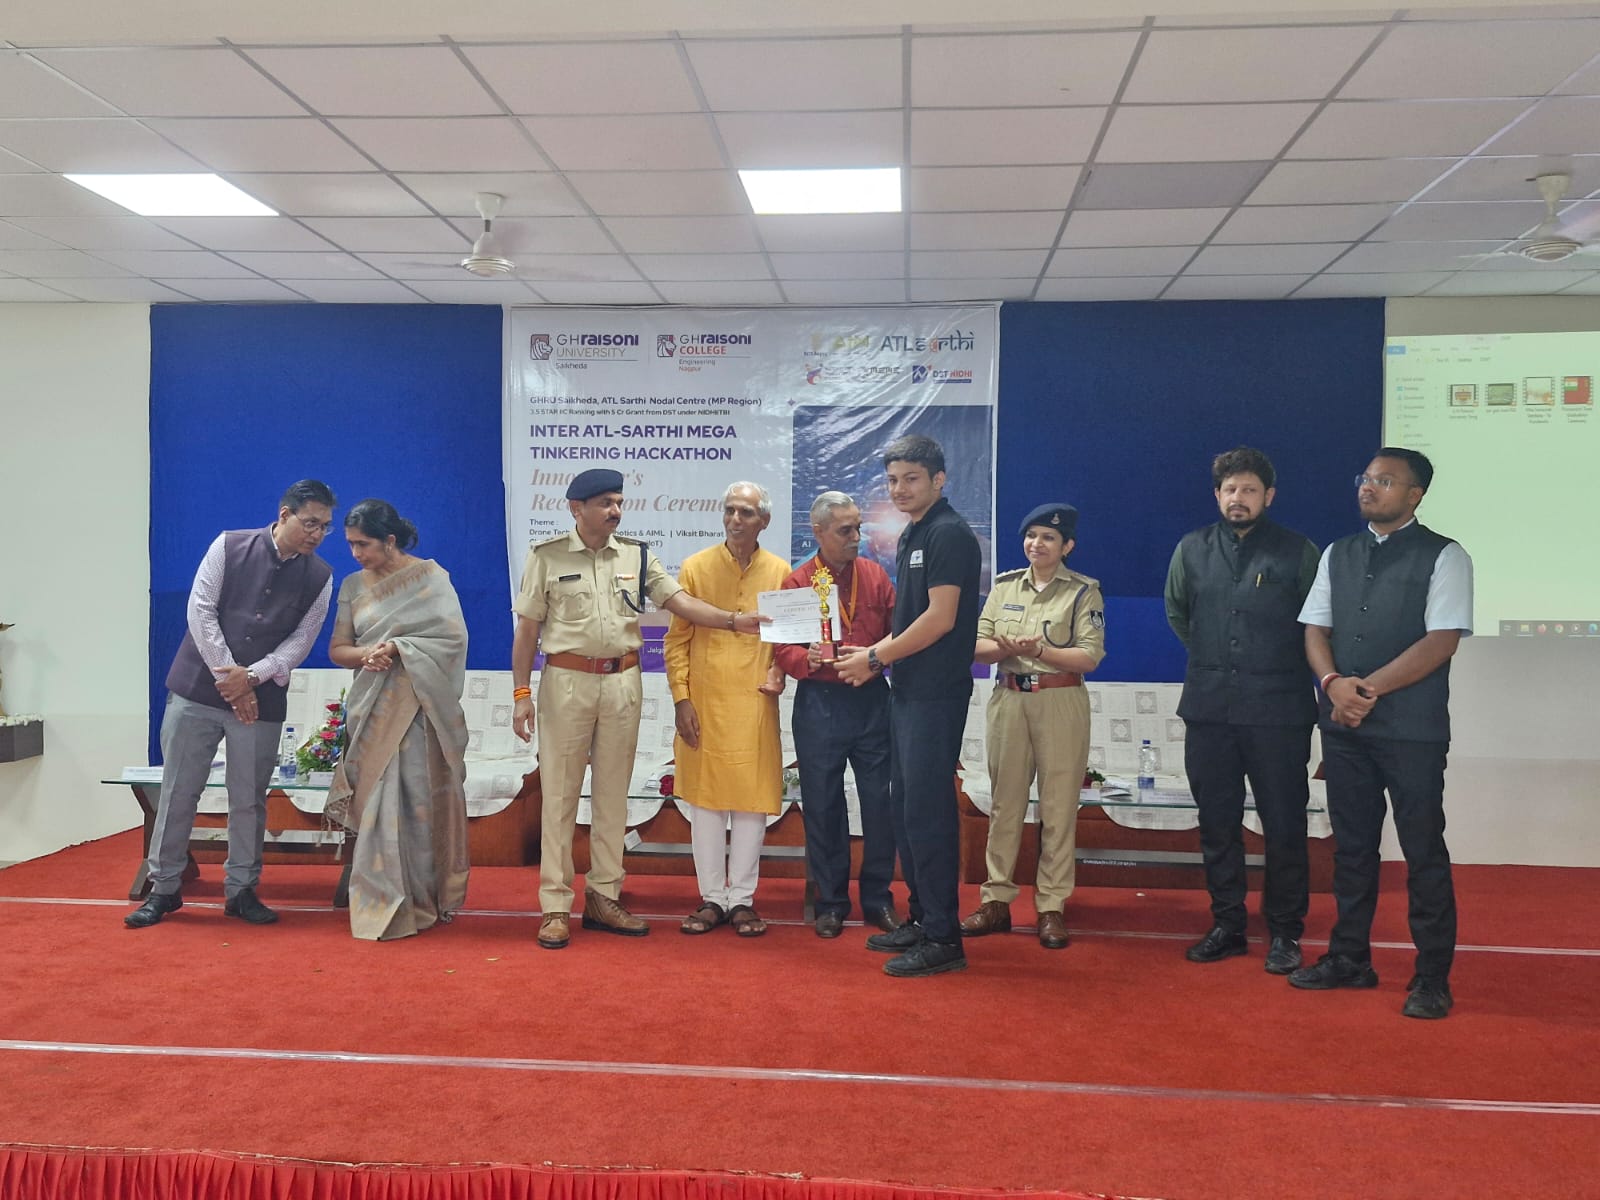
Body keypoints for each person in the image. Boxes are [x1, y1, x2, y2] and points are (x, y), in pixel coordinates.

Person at [511, 467, 768, 950]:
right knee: (560, 796)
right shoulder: (546, 556)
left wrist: (734, 622)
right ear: (576, 508)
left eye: (618, 502)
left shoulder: (637, 554)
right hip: (566, 683)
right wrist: (521, 694)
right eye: (605, 502)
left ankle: (605, 897)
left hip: (622, 684)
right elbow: (527, 631)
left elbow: (680, 602)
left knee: (613, 797)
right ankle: (555, 906)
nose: (615, 510)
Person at [1288, 448, 1472, 1020]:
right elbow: (1315, 629)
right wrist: (1332, 683)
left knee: (1422, 851)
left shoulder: (1446, 555)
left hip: (1411, 732)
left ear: (1415, 494)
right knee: (1352, 850)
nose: (1369, 488)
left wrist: (1364, 691)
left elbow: (1441, 641)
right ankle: (1349, 958)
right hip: (1346, 729)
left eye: (1385, 481)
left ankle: (1432, 977)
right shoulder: (1338, 552)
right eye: (1366, 478)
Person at [125, 480, 336, 929]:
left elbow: (302, 640)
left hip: (262, 697)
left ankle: (241, 890)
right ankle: (164, 888)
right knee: (178, 791)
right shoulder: (228, 545)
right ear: (284, 515)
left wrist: (252, 677)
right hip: (196, 690)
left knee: (249, 799)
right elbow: (200, 610)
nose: (317, 534)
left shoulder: (320, 576)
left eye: (325, 527)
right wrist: (231, 679)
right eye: (310, 523)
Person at [1163, 447, 1321, 974]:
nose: (1238, 498)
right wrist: (1216, 658)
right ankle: (1227, 924)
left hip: (1279, 712)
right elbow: (1178, 612)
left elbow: (1317, 623)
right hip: (1210, 709)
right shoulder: (1191, 548)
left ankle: (1285, 931)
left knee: (1284, 824)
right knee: (1217, 823)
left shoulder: (1298, 551)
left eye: (1249, 490)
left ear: (1268, 496)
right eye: (1230, 489)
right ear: (1217, 495)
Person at [837, 434, 981, 977]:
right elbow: (910, 619)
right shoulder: (914, 532)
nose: (899, 489)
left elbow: (940, 619)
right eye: (893, 480)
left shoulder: (949, 533)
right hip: (909, 691)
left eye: (911, 479)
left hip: (937, 694)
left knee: (928, 812)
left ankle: (945, 938)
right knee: (905, 808)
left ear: (939, 480)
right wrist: (873, 655)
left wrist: (875, 657)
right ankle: (923, 918)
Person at [325, 500, 470, 941]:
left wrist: (399, 648)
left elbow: (452, 639)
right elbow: (338, 649)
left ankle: (422, 897)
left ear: (389, 540)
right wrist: (366, 654)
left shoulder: (431, 579)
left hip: (419, 711)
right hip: (372, 710)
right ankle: (379, 899)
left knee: (417, 806)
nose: (355, 553)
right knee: (377, 806)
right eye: (350, 544)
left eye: (363, 544)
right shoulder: (352, 585)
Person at [964, 503, 1105, 951]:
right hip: (1009, 699)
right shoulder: (1004, 586)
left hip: (1060, 700)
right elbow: (976, 644)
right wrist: (1002, 648)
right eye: (1031, 535)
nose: (1036, 544)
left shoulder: (1083, 592)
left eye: (1048, 538)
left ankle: (1051, 906)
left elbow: (1089, 656)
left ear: (1067, 546)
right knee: (1004, 802)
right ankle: (996, 901)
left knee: (1058, 807)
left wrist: (1040, 651)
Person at [773, 491, 901, 939]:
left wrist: (877, 659)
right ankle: (830, 902)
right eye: (845, 530)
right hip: (819, 702)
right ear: (819, 532)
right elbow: (780, 648)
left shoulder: (875, 575)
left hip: (871, 700)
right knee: (823, 804)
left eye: (858, 528)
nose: (856, 537)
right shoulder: (796, 582)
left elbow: (899, 635)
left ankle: (878, 898)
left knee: (879, 803)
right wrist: (804, 659)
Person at [666, 482, 791, 938]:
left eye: (746, 512)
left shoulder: (781, 572)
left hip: (754, 699)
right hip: (704, 700)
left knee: (751, 802)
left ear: (764, 521)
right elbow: (676, 641)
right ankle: (712, 898)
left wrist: (779, 670)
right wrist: (681, 698)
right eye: (730, 510)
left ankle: (741, 900)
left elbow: (787, 640)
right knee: (706, 802)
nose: (736, 519)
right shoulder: (695, 567)